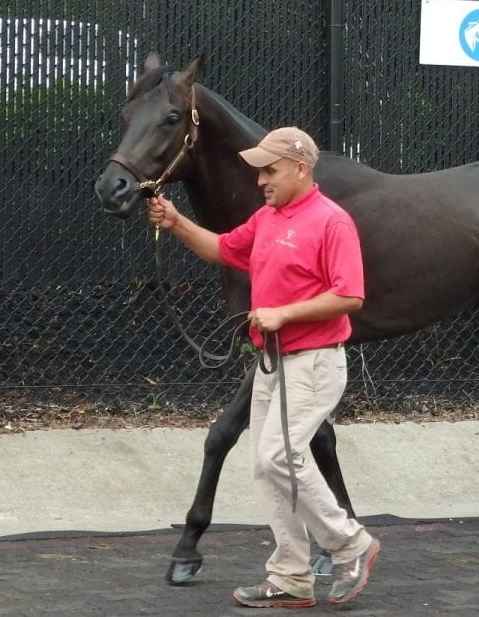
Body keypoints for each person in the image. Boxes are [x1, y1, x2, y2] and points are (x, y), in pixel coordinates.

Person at [148, 127, 379, 608]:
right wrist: (174, 221)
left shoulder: (331, 222)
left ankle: (351, 545)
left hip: (313, 362)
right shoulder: (268, 218)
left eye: (270, 171)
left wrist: (284, 313)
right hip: (274, 363)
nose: (261, 182)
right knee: (264, 466)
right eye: (259, 172)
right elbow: (224, 250)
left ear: (300, 168)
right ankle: (292, 576)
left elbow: (350, 295)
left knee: (279, 458)